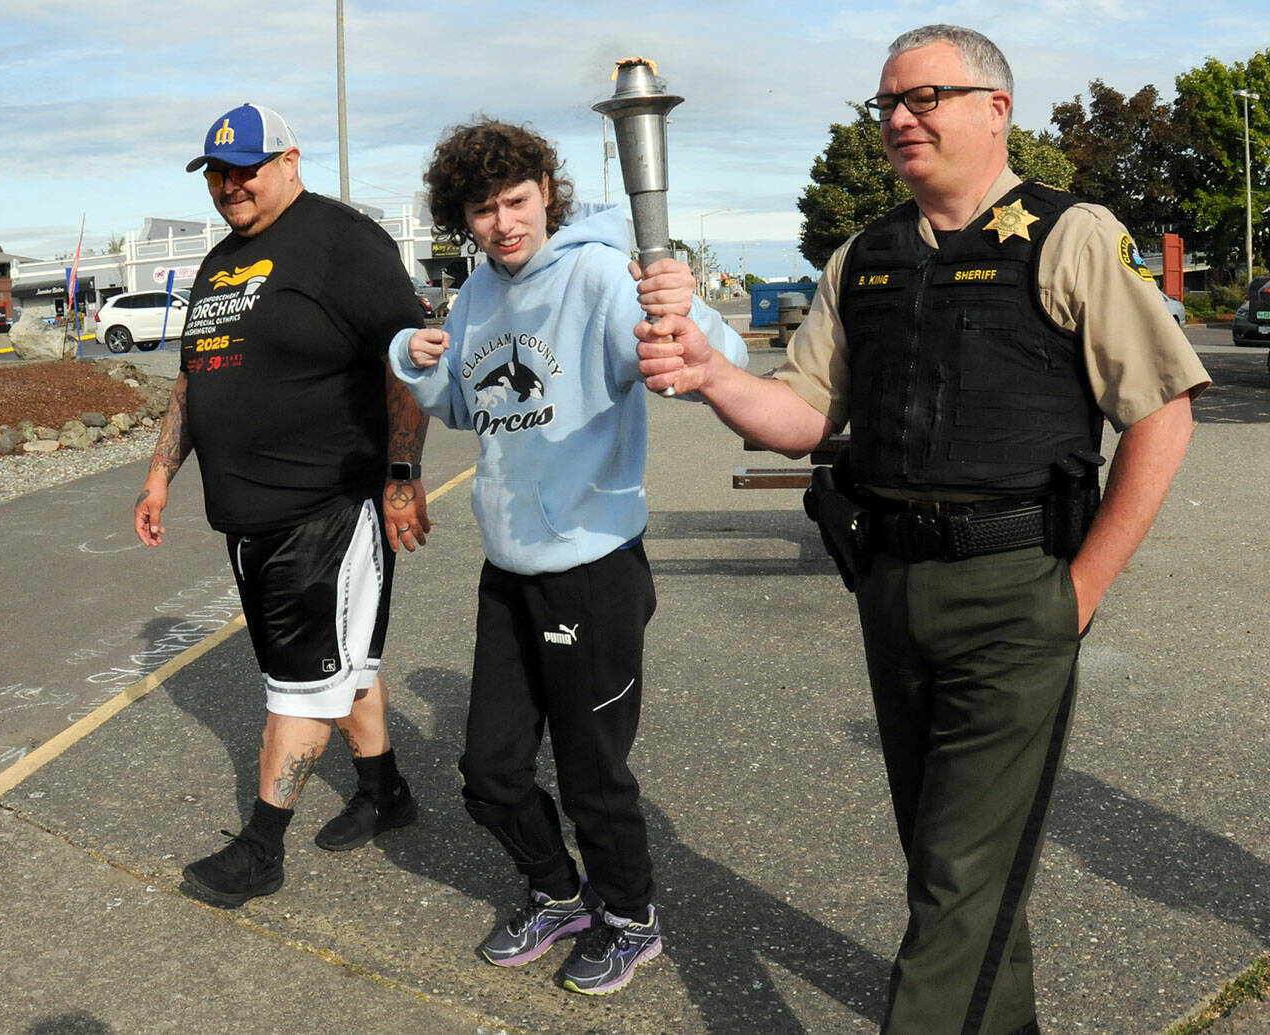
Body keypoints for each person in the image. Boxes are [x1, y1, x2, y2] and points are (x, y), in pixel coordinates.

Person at [636, 25, 1209, 1035]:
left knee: (954, 882)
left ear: (995, 109)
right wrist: (713, 375)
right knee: (948, 857)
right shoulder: (864, 258)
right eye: (887, 103)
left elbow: (1161, 412)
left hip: (1014, 590)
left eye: (925, 97)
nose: (900, 118)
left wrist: (1079, 590)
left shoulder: (1068, 234)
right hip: (891, 586)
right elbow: (806, 419)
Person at [388, 119, 748, 995]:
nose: (504, 222)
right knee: (488, 771)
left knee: (593, 771)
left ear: (546, 190)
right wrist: (414, 357)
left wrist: (681, 310)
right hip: (509, 567)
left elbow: (717, 358)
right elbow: (467, 408)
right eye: (483, 210)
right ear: (461, 218)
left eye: (516, 201)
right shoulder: (476, 293)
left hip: (592, 564)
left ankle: (631, 917)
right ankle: (558, 893)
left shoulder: (596, 271)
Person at [133, 103, 432, 907]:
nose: (231, 185)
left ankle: (261, 848)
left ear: (291, 161)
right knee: (344, 667)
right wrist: (162, 473)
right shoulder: (219, 263)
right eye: (218, 174)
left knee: (298, 689)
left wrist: (402, 472)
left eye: (247, 169)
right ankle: (387, 791)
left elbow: (406, 360)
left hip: (328, 506)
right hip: (246, 517)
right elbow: (196, 377)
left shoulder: (342, 241)